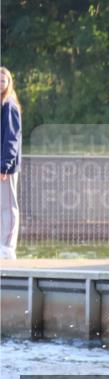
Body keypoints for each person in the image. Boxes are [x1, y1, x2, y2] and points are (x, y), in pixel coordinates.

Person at [0, 67, 21, 261]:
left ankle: (7, 248)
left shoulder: (9, 106)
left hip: (6, 167)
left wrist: (5, 166)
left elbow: (12, 138)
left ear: (9, 83)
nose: (0, 84)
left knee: (9, 207)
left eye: (2, 81)